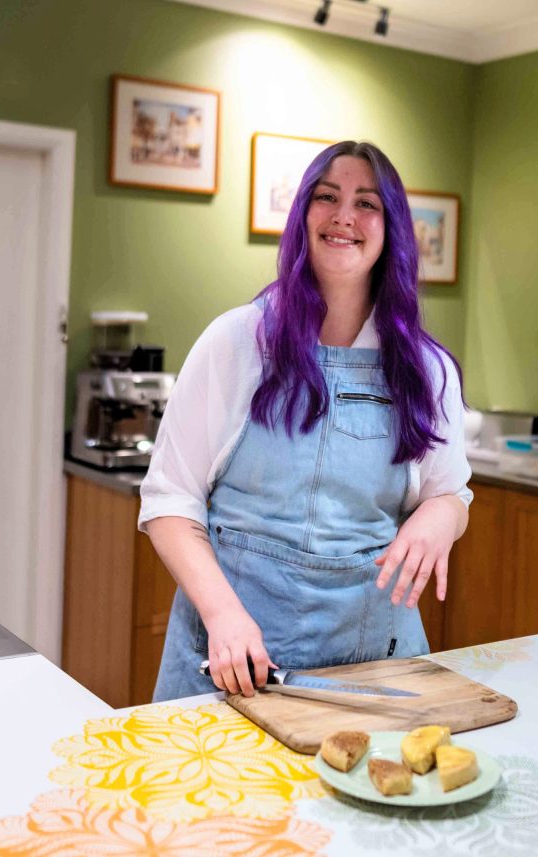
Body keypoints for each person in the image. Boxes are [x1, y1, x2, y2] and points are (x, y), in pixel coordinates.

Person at [140, 140, 472, 701]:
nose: (344, 216)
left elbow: (450, 492)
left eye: (367, 203)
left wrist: (441, 517)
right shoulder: (237, 342)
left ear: (391, 228)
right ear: (302, 216)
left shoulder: (428, 370)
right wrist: (223, 616)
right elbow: (170, 501)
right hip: (231, 662)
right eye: (327, 197)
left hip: (371, 669)